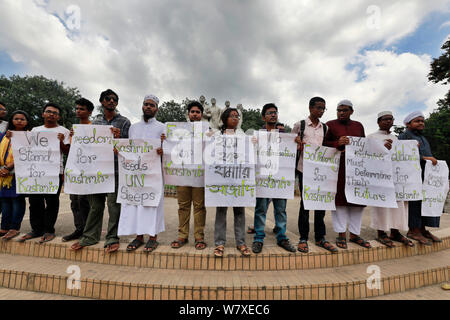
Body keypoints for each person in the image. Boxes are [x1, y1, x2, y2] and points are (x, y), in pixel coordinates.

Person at [71, 89, 130, 253]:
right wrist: (76, 138)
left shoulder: (125, 122)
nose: (111, 101)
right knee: (95, 206)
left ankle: (112, 238)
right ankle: (90, 237)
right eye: (108, 99)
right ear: (102, 102)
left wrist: (118, 140)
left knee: (114, 206)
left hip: (115, 171)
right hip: (96, 171)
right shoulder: (95, 123)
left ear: (117, 103)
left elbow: (128, 147)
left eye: (114, 99)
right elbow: (87, 145)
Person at [119, 94, 165, 253]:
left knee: (153, 204)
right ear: (142, 106)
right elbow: (130, 148)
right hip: (136, 173)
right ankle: (139, 237)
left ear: (156, 109)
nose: (148, 107)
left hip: (153, 173)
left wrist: (162, 150)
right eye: (146, 104)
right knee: (137, 203)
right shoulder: (134, 127)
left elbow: (168, 149)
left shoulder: (162, 127)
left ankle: (153, 238)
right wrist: (119, 150)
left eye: (152, 105)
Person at [18, 103, 70, 243]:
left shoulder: (63, 131)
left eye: (55, 113)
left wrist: (60, 142)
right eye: (48, 111)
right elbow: (27, 148)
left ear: (58, 116)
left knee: (52, 202)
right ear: (43, 114)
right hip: (36, 172)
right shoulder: (35, 130)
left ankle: (49, 230)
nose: (51, 114)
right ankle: (36, 229)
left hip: (54, 172)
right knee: (35, 201)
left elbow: (67, 152)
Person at [323, 99, 372, 249]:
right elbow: (323, 144)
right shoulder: (330, 125)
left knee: (357, 203)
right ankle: (341, 234)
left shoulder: (358, 126)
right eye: (339, 110)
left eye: (345, 110)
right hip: (339, 171)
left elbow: (364, 145)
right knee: (340, 203)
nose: (341, 113)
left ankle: (355, 235)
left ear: (352, 111)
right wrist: (338, 143)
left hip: (357, 170)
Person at [293, 97, 338, 253]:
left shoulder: (325, 128)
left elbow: (329, 147)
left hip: (322, 172)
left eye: (323, 108)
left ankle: (321, 237)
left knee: (321, 205)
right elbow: (291, 144)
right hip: (305, 170)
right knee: (305, 205)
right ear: (310, 108)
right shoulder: (300, 125)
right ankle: (303, 238)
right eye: (318, 107)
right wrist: (297, 142)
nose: (321, 111)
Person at [251, 103, 296, 254]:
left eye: (275, 112)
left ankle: (282, 236)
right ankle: (258, 238)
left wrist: (296, 144)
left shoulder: (285, 137)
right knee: (261, 209)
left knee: (281, 210)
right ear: (263, 117)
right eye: (270, 113)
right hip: (263, 180)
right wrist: (252, 144)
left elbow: (290, 154)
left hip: (280, 181)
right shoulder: (257, 135)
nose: (273, 115)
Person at [368, 111, 414, 247]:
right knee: (381, 206)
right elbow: (366, 156)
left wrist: (412, 149)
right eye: (385, 119)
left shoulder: (396, 139)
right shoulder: (371, 137)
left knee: (397, 206)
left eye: (390, 119)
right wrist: (381, 148)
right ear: (378, 122)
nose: (388, 121)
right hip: (379, 177)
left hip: (395, 178)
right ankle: (381, 233)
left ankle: (395, 231)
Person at [398, 111, 441, 245]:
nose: (421, 123)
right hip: (412, 177)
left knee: (425, 203)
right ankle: (414, 230)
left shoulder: (423, 138)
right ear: (408, 124)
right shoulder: (404, 136)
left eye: (422, 121)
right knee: (415, 204)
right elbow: (401, 155)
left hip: (425, 176)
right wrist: (425, 158)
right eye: (417, 121)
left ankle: (423, 229)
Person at [213, 108, 251, 257]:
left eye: (237, 116)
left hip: (238, 179)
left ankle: (241, 243)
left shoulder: (243, 136)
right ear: (224, 119)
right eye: (232, 116)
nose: (235, 118)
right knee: (221, 212)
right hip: (221, 178)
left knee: (239, 212)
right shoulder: (216, 135)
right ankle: (219, 243)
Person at [170, 101, 207, 250]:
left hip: (199, 175)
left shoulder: (207, 130)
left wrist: (211, 136)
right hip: (183, 174)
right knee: (183, 206)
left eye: (198, 112)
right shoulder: (178, 130)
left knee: (199, 207)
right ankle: (182, 236)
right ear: (188, 114)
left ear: (202, 115)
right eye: (192, 111)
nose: (195, 114)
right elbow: (170, 147)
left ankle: (199, 237)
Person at [62, 98, 94, 242]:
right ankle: (78, 229)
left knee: (84, 200)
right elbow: (69, 151)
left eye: (81, 109)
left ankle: (87, 231)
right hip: (74, 169)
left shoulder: (94, 128)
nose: (78, 111)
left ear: (89, 112)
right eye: (77, 108)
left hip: (88, 170)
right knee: (74, 201)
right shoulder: (73, 130)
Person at [0, 110, 31, 240]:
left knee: (17, 201)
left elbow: (26, 153)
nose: (19, 121)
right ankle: (4, 227)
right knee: (5, 201)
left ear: (27, 122)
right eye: (16, 118)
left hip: (19, 174)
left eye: (22, 119)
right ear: (11, 120)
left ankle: (14, 228)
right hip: (3, 175)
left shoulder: (30, 136)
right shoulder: (4, 136)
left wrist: (9, 167)